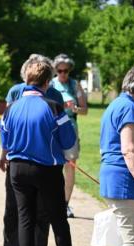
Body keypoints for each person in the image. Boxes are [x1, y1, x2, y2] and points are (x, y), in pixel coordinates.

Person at [65, 67, 134, 246]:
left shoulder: (119, 103)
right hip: (124, 181)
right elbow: (129, 150)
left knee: (132, 244)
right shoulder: (129, 107)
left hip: (117, 179)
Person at [1, 60, 77, 246]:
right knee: (58, 220)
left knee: (25, 218)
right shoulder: (54, 105)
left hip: (17, 169)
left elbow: (4, 138)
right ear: (47, 82)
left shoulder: (12, 107)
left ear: (27, 81)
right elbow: (69, 140)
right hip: (46, 169)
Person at [51, 54, 88, 218]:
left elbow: (85, 109)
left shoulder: (75, 85)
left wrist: (75, 109)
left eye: (65, 71)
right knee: (52, 166)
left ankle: (65, 204)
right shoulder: (51, 83)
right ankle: (52, 202)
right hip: (54, 128)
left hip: (71, 127)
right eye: (59, 70)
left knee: (70, 166)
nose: (63, 74)